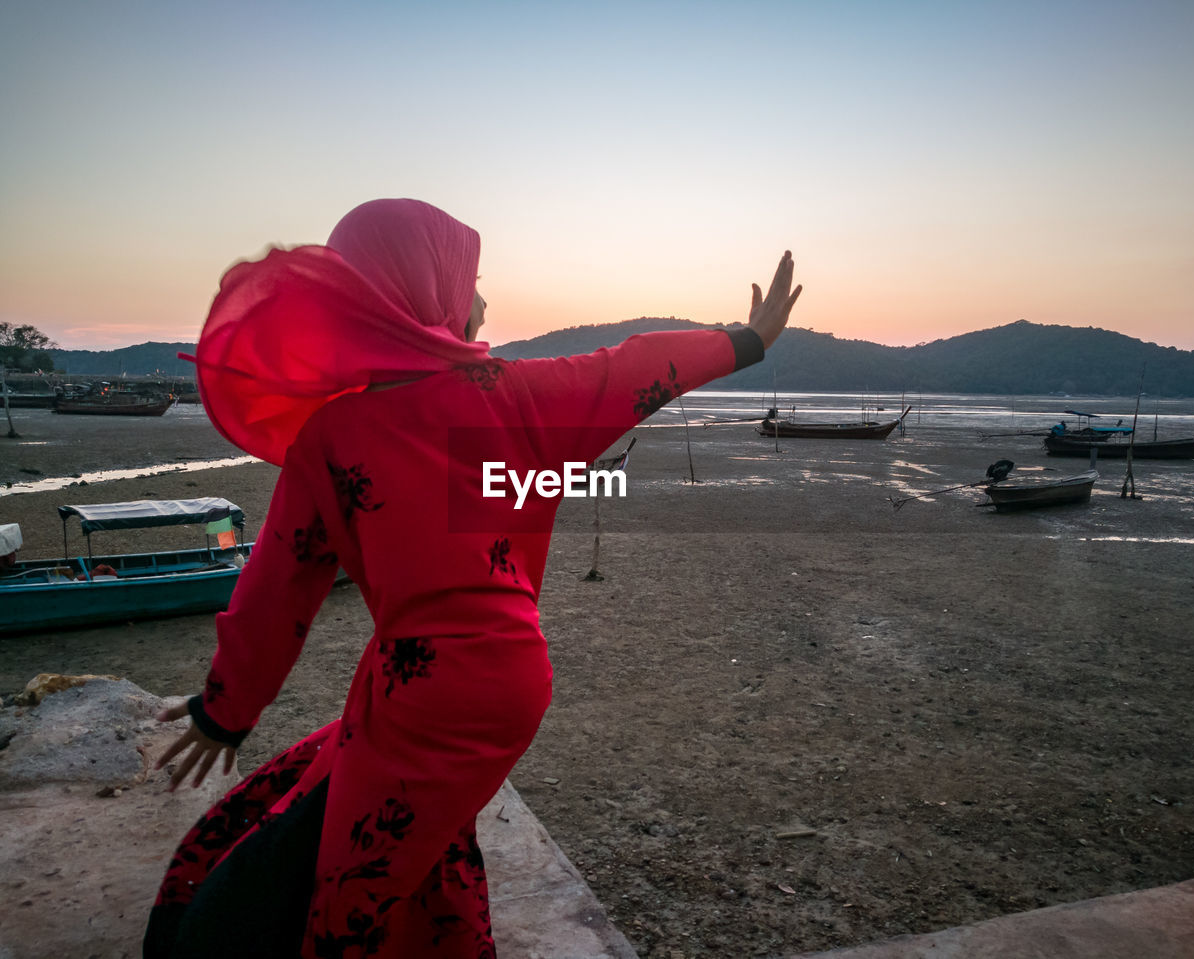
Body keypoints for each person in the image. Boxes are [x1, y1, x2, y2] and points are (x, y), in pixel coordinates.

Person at [144, 198, 800, 959]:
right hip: (499, 679)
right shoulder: (515, 393)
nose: (483, 299)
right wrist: (745, 341)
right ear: (422, 294)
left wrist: (226, 710)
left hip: (426, 689)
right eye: (471, 281)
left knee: (353, 889)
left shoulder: (332, 435)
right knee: (406, 830)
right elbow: (631, 367)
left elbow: (276, 589)